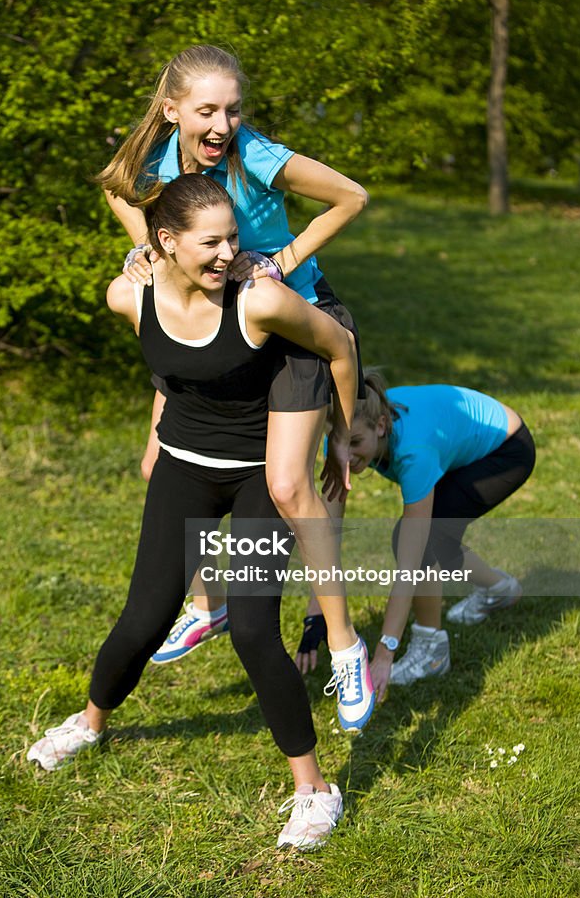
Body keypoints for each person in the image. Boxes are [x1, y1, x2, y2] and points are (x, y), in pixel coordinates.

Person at [28, 175, 367, 849]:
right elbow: (169, 368)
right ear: (166, 242)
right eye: (211, 242)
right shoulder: (128, 295)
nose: (228, 255)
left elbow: (338, 347)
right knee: (143, 618)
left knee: (250, 630)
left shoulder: (260, 298)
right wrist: (157, 430)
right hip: (184, 470)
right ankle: (90, 722)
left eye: (233, 238)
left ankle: (312, 790)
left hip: (255, 483)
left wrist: (343, 439)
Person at [96, 45, 370, 702]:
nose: (221, 125)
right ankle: (210, 603)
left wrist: (282, 258)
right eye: (206, 111)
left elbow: (350, 196)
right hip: (208, 321)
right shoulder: (157, 164)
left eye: (233, 109)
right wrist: (144, 247)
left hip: (289, 315)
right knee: (153, 466)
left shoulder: (259, 156)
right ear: (172, 112)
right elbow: (113, 185)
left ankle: (342, 645)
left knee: (285, 486)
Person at [295, 370, 536, 699]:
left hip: (506, 450)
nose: (346, 455)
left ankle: (431, 648)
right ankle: (500, 589)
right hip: (457, 440)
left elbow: (410, 563)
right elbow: (325, 534)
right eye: (340, 442)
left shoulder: (414, 452)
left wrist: (384, 652)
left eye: (355, 443)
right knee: (435, 537)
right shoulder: (339, 442)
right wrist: (315, 615)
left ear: (381, 426)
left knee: (419, 542)